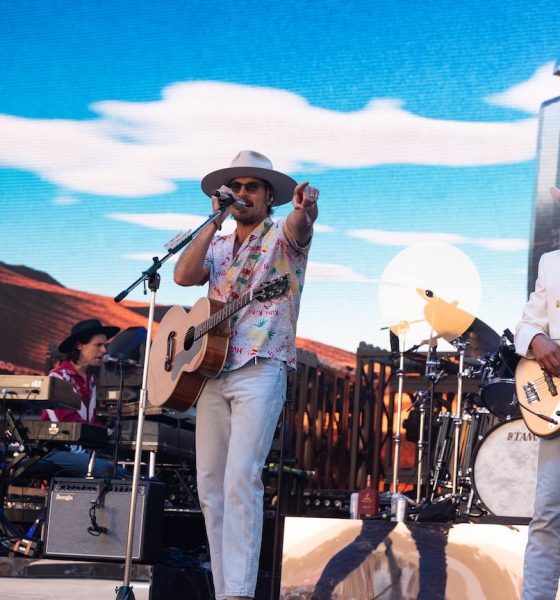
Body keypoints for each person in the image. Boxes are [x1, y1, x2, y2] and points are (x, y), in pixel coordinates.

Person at [173, 150, 318, 600]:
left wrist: (304, 211)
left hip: (260, 365)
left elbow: (301, 229)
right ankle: (224, 590)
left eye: (251, 187)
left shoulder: (281, 235)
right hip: (210, 371)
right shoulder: (215, 244)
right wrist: (212, 222)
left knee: (241, 477)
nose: (241, 194)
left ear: (269, 196)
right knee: (210, 486)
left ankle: (239, 592)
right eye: (235, 187)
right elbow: (182, 276)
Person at [516, 187, 560, 600]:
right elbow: (526, 324)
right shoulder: (552, 263)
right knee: (547, 515)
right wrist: (537, 341)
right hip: (557, 411)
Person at [38, 318, 121, 478]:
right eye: (98, 345)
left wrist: (109, 431)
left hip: (82, 451)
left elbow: (89, 424)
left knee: (124, 473)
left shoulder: (90, 380)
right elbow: (66, 425)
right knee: (109, 471)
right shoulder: (58, 377)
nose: (104, 350)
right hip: (58, 450)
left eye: (105, 345)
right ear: (80, 345)